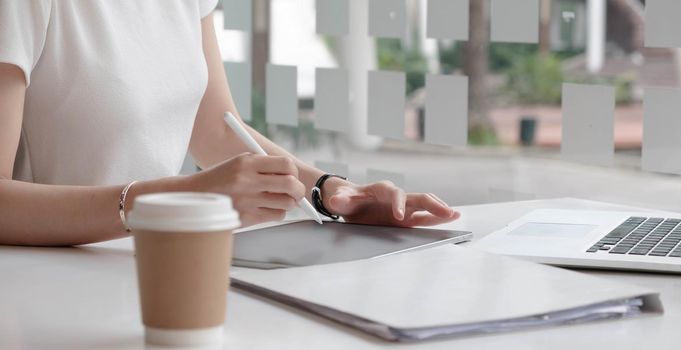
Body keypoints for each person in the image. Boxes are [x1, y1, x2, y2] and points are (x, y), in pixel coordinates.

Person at [0, 0, 459, 246]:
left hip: (157, 261)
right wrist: (179, 200)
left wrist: (332, 192)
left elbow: (218, 129)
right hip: (47, 284)